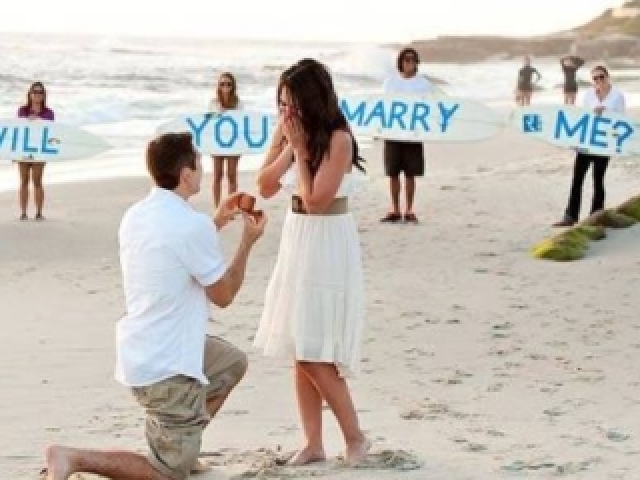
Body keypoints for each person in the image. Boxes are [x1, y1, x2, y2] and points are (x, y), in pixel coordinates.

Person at [41, 131, 267, 480]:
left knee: (230, 364)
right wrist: (247, 243)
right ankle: (72, 457)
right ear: (186, 175)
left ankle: (184, 440)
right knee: (166, 472)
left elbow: (175, 249)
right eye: (199, 163)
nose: (203, 168)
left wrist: (218, 221)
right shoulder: (190, 226)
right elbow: (224, 295)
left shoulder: (137, 215)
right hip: (167, 368)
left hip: (143, 351)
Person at [254, 58, 370, 466]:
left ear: (312, 99)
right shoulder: (286, 132)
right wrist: (288, 145)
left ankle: (356, 438)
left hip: (327, 240)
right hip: (297, 238)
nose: (286, 111)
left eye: (292, 102)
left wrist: (302, 152)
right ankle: (314, 442)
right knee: (299, 345)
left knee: (315, 351)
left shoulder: (338, 139)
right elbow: (265, 187)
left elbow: (317, 201)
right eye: (281, 102)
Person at [553, 66, 626, 227]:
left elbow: (621, 120)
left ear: (607, 76)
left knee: (598, 180)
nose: (599, 80)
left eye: (601, 77)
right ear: (592, 81)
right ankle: (570, 216)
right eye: (595, 78)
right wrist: (575, 141)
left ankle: (596, 216)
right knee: (577, 179)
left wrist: (605, 111)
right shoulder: (588, 95)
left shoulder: (617, 96)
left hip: (604, 143)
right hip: (586, 142)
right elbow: (583, 118)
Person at [380, 47, 433, 223]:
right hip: (393, 133)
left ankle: (409, 209)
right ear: (400, 62)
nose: (409, 63)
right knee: (393, 173)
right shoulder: (390, 82)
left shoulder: (423, 84)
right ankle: (395, 209)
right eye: (406, 60)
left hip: (413, 134)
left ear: (417, 63)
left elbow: (431, 107)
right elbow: (383, 107)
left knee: (410, 173)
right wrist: (377, 129)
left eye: (413, 60)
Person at [16, 81, 55, 221]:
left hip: (39, 150)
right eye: (35, 92)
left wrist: (37, 120)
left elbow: (50, 131)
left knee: (37, 181)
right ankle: (23, 213)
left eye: (40, 92)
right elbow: (18, 130)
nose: (37, 94)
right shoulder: (22, 110)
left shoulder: (49, 113)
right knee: (24, 181)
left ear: (44, 95)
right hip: (23, 150)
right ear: (30, 94)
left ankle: (39, 212)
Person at [209, 72, 243, 209]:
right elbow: (209, 121)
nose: (225, 87)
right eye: (222, 84)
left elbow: (241, 122)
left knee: (232, 176)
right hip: (217, 142)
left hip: (233, 142)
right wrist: (219, 114)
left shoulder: (238, 103)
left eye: (228, 84)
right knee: (217, 175)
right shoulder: (213, 102)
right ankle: (217, 207)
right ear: (218, 86)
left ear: (232, 86)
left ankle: (231, 207)